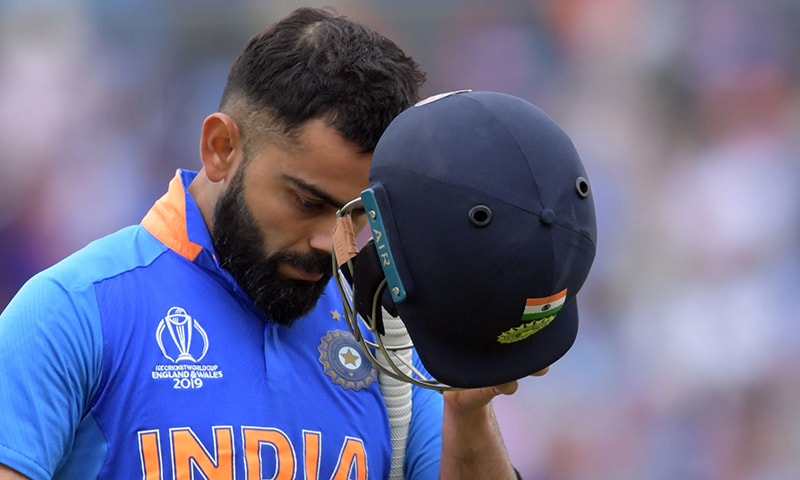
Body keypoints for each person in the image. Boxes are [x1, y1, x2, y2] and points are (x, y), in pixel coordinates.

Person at [0, 7, 530, 480]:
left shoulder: (386, 339)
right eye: (306, 201)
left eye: (357, 216)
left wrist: (468, 406)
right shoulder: (71, 313)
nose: (331, 241)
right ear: (221, 148)